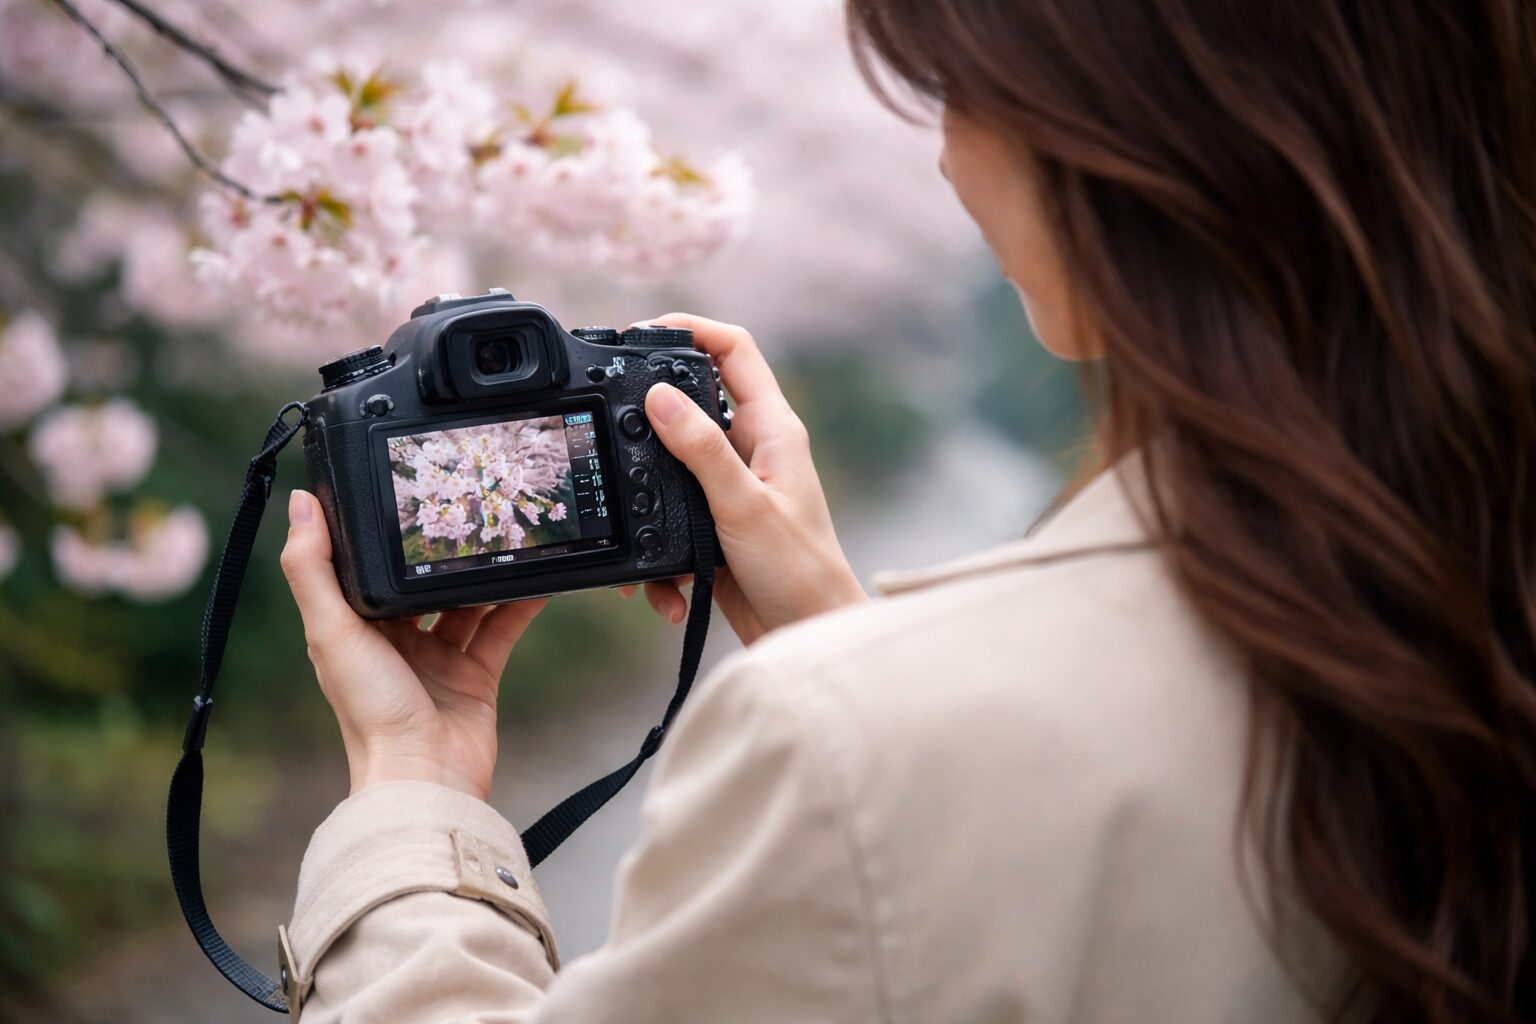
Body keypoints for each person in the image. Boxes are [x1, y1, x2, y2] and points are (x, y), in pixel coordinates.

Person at [274, 1, 1536, 1021]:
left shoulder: (851, 752)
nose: (945, 155)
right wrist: (838, 637)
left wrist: (412, 792)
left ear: (1120, 135)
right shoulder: (1461, 596)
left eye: (954, 94)